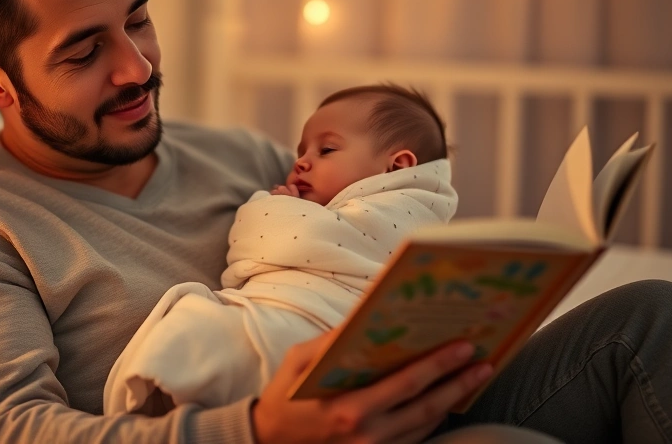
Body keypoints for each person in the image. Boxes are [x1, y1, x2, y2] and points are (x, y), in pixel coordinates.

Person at [0, 0, 672, 443]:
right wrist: (257, 428)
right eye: (83, 52)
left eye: (137, 19)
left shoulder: (237, 155)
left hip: (391, 400)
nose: (138, 68)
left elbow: (360, 250)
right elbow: (9, 432)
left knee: (655, 315)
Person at [104, 84, 459, 415]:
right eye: (302, 151)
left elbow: (277, 236)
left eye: (327, 150)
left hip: (321, 330)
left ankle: (162, 397)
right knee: (197, 324)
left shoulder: (398, 217)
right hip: (317, 334)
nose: (301, 163)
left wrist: (275, 208)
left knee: (198, 325)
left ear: (396, 166)